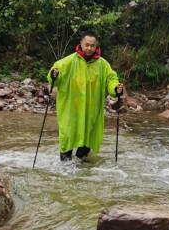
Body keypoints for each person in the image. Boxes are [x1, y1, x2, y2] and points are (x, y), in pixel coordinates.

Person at [48, 32, 124, 161]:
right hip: (70, 108)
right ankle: (65, 172)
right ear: (81, 44)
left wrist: (115, 88)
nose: (89, 48)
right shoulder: (69, 61)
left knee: (87, 139)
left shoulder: (103, 65)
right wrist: (54, 75)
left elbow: (111, 79)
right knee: (68, 136)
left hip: (91, 110)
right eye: (87, 45)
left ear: (96, 47)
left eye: (92, 46)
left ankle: (82, 172)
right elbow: (56, 74)